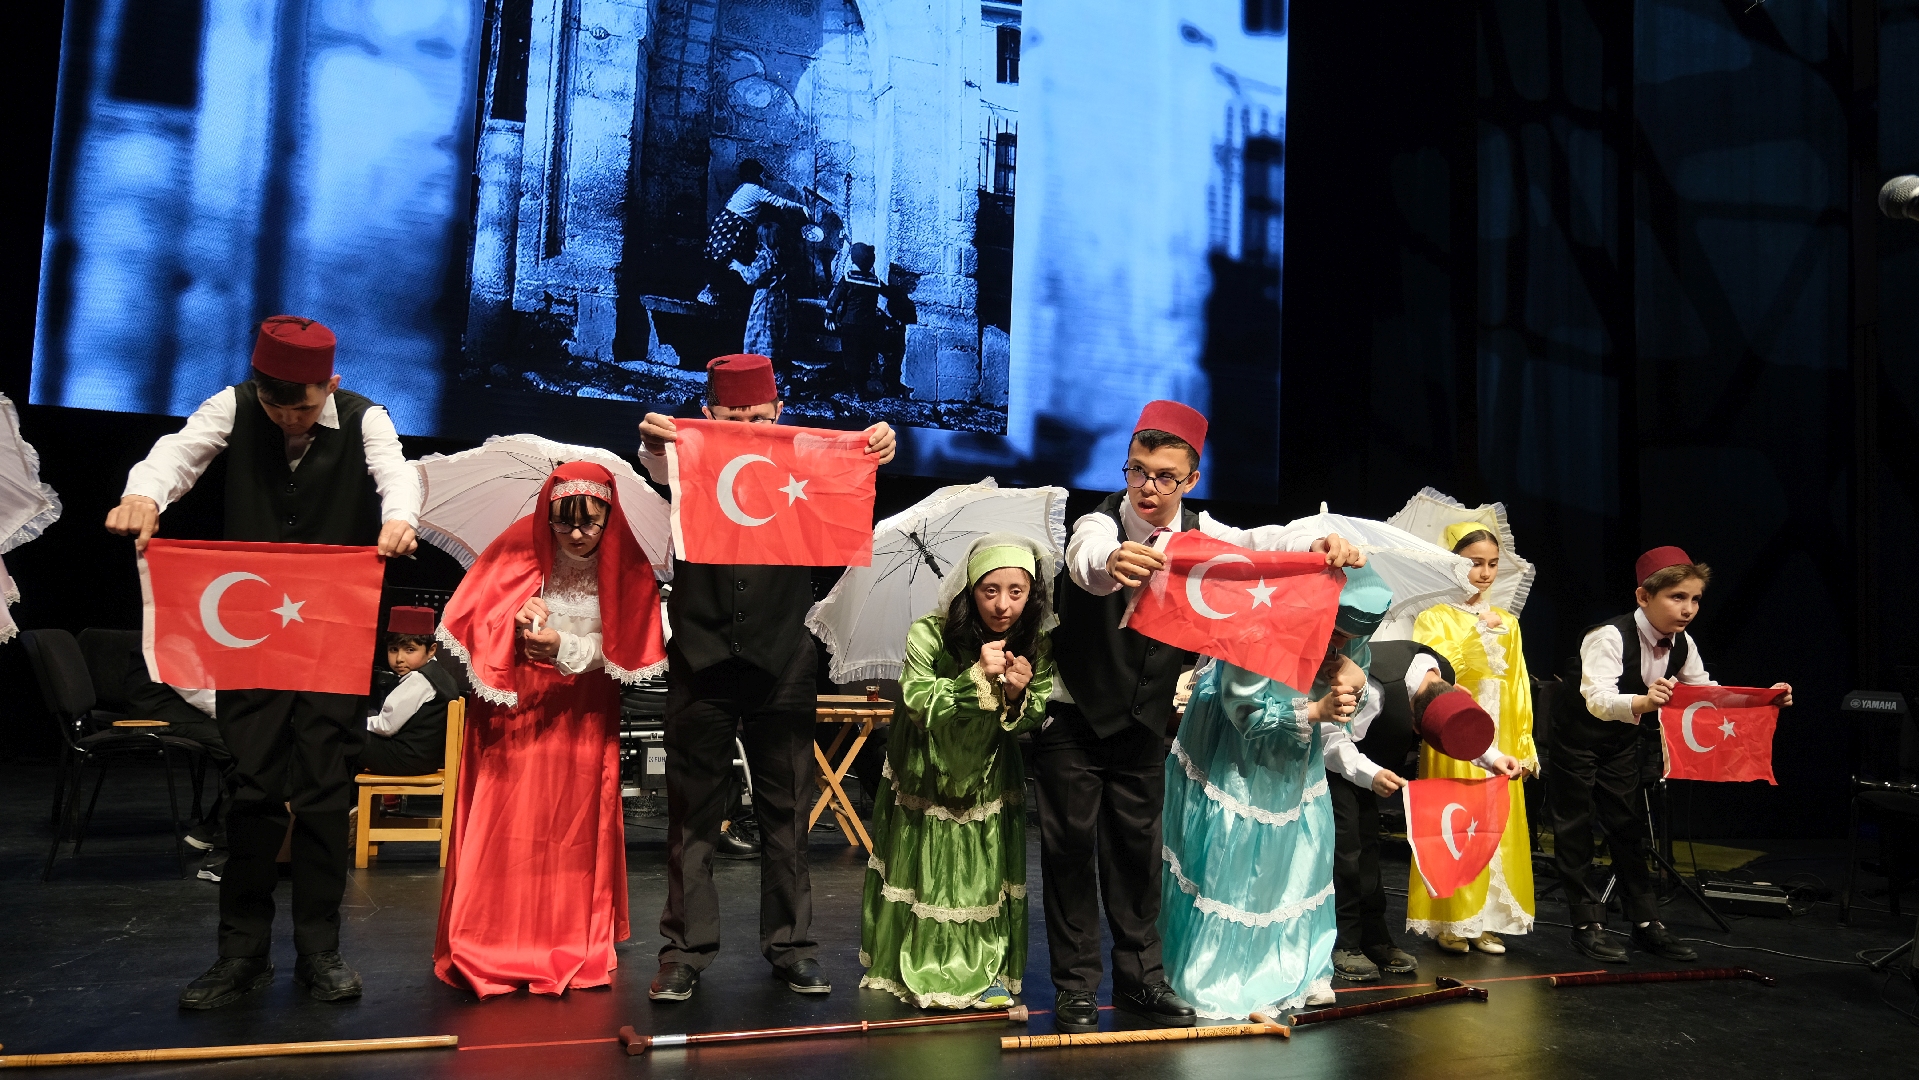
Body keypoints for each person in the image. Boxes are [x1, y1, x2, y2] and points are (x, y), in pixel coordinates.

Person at [106, 316, 420, 1009]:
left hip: (331, 634)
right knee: (251, 791)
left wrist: (399, 518)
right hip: (248, 635)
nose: (286, 419)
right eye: (275, 407)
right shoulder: (235, 405)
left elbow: (396, 473)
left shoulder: (365, 417)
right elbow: (177, 454)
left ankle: (320, 952)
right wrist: (143, 495)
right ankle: (240, 955)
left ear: (330, 384)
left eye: (300, 408)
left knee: (323, 795)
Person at [1043, 399, 1366, 1033]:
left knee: (1139, 860)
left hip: (1142, 725)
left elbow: (1265, 542)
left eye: (1165, 477)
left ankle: (1141, 981)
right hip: (1075, 718)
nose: (1148, 488)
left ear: (1191, 479)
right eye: (1137, 471)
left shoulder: (1205, 538)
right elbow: (1087, 560)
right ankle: (1076, 987)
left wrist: (1317, 543)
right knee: (1071, 856)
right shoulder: (1098, 524)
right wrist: (1111, 563)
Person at [636, 354, 897, 1002]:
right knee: (693, 817)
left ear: (779, 414)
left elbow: (850, 475)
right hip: (700, 658)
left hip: (783, 660)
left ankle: (791, 946)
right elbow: (657, 464)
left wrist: (877, 448)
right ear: (708, 416)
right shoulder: (687, 460)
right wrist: (656, 443)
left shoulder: (802, 462)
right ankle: (684, 951)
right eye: (732, 419)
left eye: (758, 418)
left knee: (786, 815)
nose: (747, 429)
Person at [433, 462, 667, 997]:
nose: (577, 535)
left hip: (582, 716)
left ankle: (567, 938)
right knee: (505, 825)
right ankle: (490, 940)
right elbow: (476, 622)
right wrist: (513, 618)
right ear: (548, 516)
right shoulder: (515, 554)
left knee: (571, 828)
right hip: (513, 714)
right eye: (565, 523)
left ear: (609, 517)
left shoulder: (627, 568)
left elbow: (626, 652)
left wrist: (565, 646)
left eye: (590, 523)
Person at [1160, 566, 1387, 1018]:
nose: (1341, 643)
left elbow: (1351, 704)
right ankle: (1219, 970)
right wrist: (1317, 708)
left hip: (1295, 758)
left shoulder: (1351, 638)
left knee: (1301, 853)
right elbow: (1245, 714)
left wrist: (1353, 685)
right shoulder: (1260, 626)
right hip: (1236, 751)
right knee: (1233, 851)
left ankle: (1301, 965)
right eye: (1336, 633)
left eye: (1351, 639)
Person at [1555, 546, 1793, 963]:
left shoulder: (1683, 643)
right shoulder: (1609, 636)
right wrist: (1645, 703)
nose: (1688, 609)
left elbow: (1706, 694)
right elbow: (1597, 699)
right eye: (1677, 597)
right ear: (1644, 596)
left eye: (1695, 599)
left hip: (1622, 743)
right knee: (1575, 830)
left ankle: (1646, 922)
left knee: (1627, 828)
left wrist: (1762, 699)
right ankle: (1586, 923)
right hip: (1578, 738)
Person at [859, 534, 1057, 1009]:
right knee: (922, 863)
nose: (1003, 605)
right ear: (971, 591)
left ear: (1031, 593)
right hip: (928, 766)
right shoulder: (930, 633)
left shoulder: (1035, 643)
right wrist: (974, 678)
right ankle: (915, 960)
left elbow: (1033, 715)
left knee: (980, 869)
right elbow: (917, 700)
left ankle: (982, 967)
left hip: (986, 770)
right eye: (990, 591)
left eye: (1016, 591)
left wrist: (1016, 695)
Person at [1404, 523, 1532, 955]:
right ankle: (1453, 918)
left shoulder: (1509, 623)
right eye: (1475, 563)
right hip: (1455, 730)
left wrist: (1524, 744)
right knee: (1456, 820)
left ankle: (1488, 920)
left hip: (1500, 727)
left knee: (1497, 820)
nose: (1485, 573)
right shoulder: (1435, 617)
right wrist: (1478, 632)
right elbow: (1438, 673)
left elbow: (1518, 686)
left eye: (1492, 564)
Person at [1319, 638, 1452, 982]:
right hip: (1335, 764)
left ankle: (1375, 937)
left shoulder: (1440, 675)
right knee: (1345, 852)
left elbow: (1452, 721)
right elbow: (1333, 740)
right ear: (1414, 722)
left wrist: (1492, 758)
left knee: (1369, 849)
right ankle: (1344, 941)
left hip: (1371, 766)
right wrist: (1370, 774)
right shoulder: (1377, 690)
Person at [357, 606, 459, 778]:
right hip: (425, 758)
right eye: (393, 649)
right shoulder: (438, 673)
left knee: (345, 734)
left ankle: (342, 792)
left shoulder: (418, 680)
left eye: (410, 650)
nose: (399, 658)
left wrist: (355, 722)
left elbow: (386, 726)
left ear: (431, 649)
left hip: (407, 759)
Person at [699, 159, 806, 307]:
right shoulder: (755, 190)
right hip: (733, 225)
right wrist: (800, 207)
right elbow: (780, 202)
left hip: (724, 221)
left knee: (721, 258)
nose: (762, 178)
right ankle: (711, 291)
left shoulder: (743, 188)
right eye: (760, 175)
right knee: (724, 258)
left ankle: (716, 291)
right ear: (754, 175)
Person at [826, 242, 887, 395]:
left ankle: (853, 385)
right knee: (864, 355)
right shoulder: (875, 281)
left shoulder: (848, 278)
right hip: (868, 324)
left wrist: (830, 316)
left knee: (850, 355)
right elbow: (888, 293)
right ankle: (862, 386)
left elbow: (835, 298)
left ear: (854, 260)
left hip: (849, 323)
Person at [734, 221, 791, 363]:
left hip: (766, 299)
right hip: (779, 298)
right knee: (776, 331)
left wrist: (739, 267)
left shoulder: (765, 256)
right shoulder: (780, 254)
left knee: (762, 331)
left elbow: (753, 277)